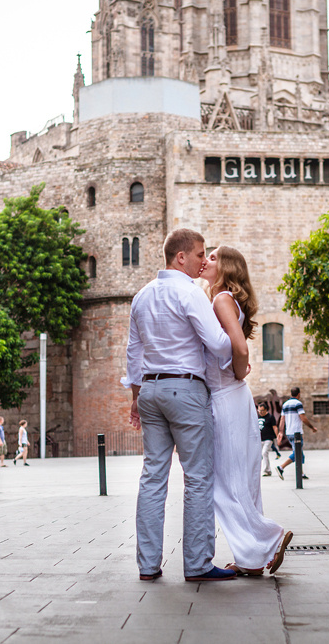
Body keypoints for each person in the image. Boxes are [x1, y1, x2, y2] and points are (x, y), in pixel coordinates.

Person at [123, 228, 238, 582]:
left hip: (151, 392)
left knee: (153, 478)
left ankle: (147, 565)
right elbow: (219, 345)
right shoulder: (190, 293)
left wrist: (135, 399)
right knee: (198, 477)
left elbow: (133, 353)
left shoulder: (141, 296)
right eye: (201, 254)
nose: (205, 260)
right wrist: (235, 335)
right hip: (186, 392)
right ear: (181, 257)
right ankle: (198, 563)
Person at [199, 246, 291, 576]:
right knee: (243, 478)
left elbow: (240, 347)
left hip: (226, 396)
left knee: (223, 483)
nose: (205, 261)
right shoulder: (226, 299)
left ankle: (267, 538)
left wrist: (237, 372)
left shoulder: (221, 299)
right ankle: (252, 557)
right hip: (233, 397)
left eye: (211, 257)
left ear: (226, 267)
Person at [276, 387, 317, 480]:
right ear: (299, 394)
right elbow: (303, 417)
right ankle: (281, 467)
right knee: (297, 453)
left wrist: (281, 432)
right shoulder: (298, 404)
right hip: (296, 433)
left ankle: (301, 474)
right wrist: (312, 427)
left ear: (291, 394)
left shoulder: (285, 404)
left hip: (289, 432)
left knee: (299, 453)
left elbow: (282, 419)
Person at [257, 402, 278, 477]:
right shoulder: (257, 417)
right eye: (259, 410)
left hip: (268, 439)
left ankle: (265, 470)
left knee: (264, 452)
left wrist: (277, 437)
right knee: (262, 454)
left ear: (266, 410)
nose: (260, 412)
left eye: (262, 410)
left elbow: (274, 427)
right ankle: (268, 470)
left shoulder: (270, 417)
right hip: (259, 439)